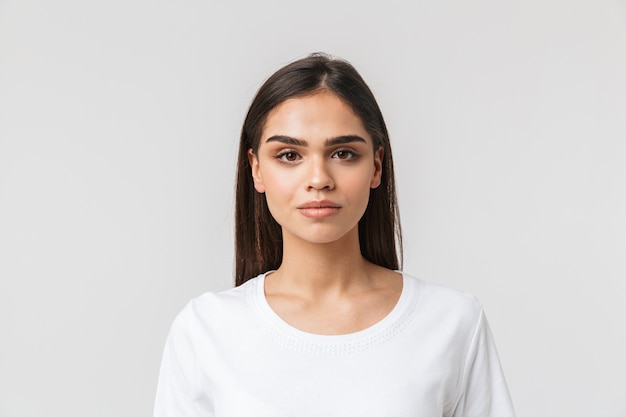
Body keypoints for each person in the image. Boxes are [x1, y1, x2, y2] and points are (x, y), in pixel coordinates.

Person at [154, 52, 516, 417]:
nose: (319, 179)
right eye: (289, 155)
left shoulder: (450, 321)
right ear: (256, 169)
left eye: (343, 153)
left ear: (376, 166)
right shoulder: (205, 331)